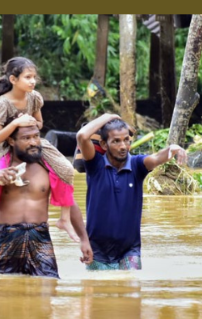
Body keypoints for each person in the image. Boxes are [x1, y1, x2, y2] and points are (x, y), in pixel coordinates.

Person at [0, 57, 78, 261]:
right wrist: (16, 124)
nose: (32, 81)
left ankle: (64, 219)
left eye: (34, 77)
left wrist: (31, 124)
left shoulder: (34, 97)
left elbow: (40, 124)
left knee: (66, 169)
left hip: (31, 140)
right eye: (28, 77)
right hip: (1, 145)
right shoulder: (2, 103)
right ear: (13, 79)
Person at [0, 122, 93, 278]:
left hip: (39, 235)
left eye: (36, 136)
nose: (33, 142)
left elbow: (69, 201)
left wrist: (84, 240)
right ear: (11, 141)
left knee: (49, 284)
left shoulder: (49, 165)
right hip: (6, 235)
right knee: (3, 289)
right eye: (26, 138)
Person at [76, 113, 188, 271]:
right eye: (116, 141)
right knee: (100, 294)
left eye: (126, 140)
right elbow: (82, 136)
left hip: (130, 251)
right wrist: (109, 116)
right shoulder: (95, 165)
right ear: (104, 144)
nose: (123, 146)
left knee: (131, 289)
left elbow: (156, 158)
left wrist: (173, 148)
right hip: (97, 251)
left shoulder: (137, 165)